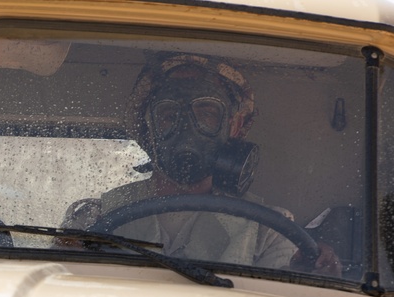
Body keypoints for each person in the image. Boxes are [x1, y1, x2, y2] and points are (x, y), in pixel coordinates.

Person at [61, 52, 341, 275]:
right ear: (148, 129)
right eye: (169, 114)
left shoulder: (269, 230)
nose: (187, 129)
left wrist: (307, 269)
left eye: (206, 113)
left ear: (235, 125)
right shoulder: (93, 219)